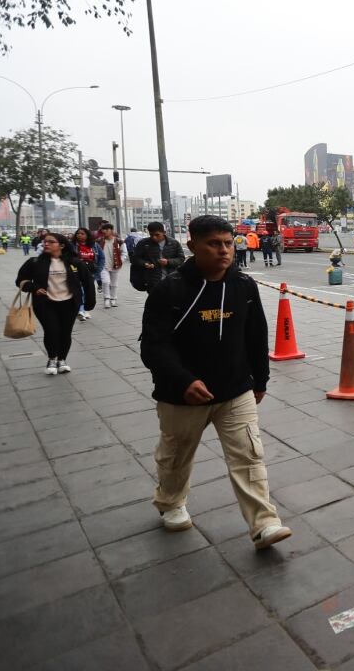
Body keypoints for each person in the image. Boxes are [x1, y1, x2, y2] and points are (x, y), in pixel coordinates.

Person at [140, 215, 291, 550]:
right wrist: (183, 380)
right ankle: (171, 501)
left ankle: (264, 523)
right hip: (182, 396)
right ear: (192, 246)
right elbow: (153, 346)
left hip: (235, 390)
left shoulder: (244, 286)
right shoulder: (170, 289)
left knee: (249, 455)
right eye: (213, 244)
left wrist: (260, 379)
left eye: (227, 243)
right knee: (176, 457)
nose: (224, 250)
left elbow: (256, 335)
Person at [16, 232, 95, 375]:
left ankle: (62, 360)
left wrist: (89, 303)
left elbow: (88, 281)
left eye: (51, 242)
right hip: (45, 304)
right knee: (51, 331)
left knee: (65, 332)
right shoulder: (35, 262)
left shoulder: (74, 262)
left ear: (62, 245)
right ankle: (52, 359)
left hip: (69, 304)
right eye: (45, 241)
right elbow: (20, 280)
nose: (46, 244)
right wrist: (34, 288)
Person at [132, 221, 186, 293]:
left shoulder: (174, 243)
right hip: (152, 280)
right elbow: (135, 258)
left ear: (164, 232)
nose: (154, 237)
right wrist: (145, 263)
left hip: (171, 279)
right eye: (151, 235)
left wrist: (168, 262)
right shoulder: (143, 243)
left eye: (157, 235)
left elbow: (181, 258)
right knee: (155, 299)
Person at [71, 227, 103, 321]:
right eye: (78, 233)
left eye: (82, 233)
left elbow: (101, 258)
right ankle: (80, 311)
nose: (79, 235)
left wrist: (98, 270)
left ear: (87, 235)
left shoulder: (95, 245)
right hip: (76, 272)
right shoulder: (72, 245)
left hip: (90, 272)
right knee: (80, 291)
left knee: (87, 291)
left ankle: (84, 310)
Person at [96, 222, 124, 308]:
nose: (104, 231)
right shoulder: (99, 241)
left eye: (107, 229)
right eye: (103, 229)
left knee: (114, 284)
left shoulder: (119, 241)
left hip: (115, 265)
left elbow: (124, 252)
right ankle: (107, 299)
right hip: (103, 266)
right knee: (105, 281)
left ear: (111, 230)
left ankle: (113, 299)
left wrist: (121, 260)